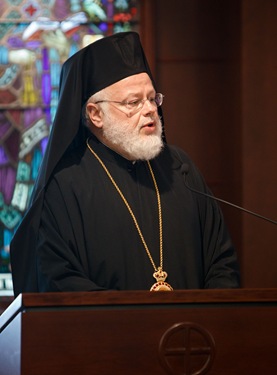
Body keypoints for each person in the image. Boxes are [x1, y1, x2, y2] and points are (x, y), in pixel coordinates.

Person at [10, 32, 240, 296]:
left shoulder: (180, 169)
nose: (150, 109)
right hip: (109, 336)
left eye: (152, 98)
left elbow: (222, 263)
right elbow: (59, 280)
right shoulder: (65, 185)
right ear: (95, 114)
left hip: (191, 334)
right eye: (134, 102)